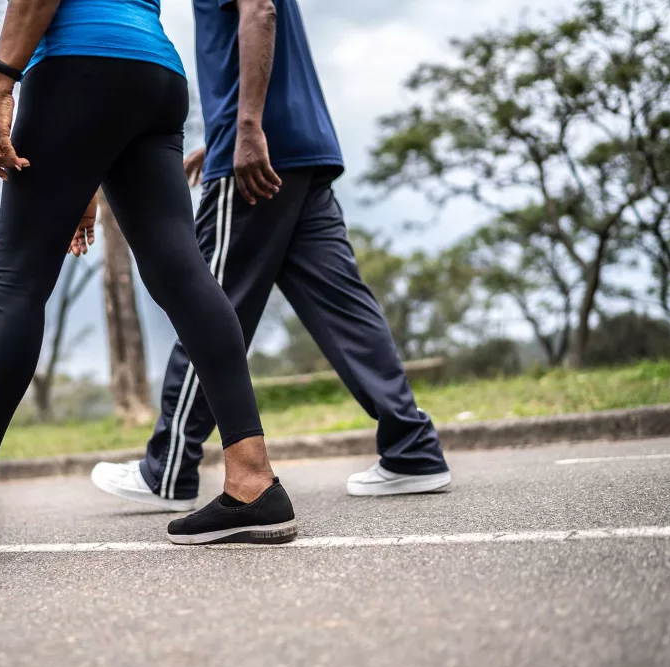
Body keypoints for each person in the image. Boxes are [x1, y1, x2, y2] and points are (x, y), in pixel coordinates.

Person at [0, 0, 299, 562]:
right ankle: (252, 482)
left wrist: (0, 82)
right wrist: (85, 178)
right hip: (154, 73)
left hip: (76, 65)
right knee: (183, 276)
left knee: (15, 286)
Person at [89, 0, 451, 511]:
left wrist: (246, 129)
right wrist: (224, 135)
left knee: (203, 301)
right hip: (301, 146)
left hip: (257, 156)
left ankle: (168, 468)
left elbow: (259, 12)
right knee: (343, 307)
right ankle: (412, 448)